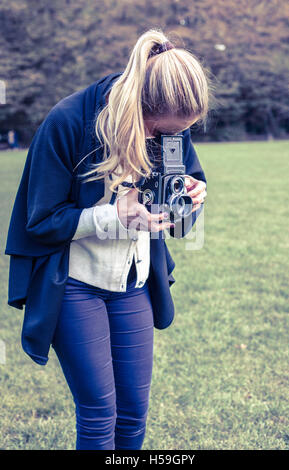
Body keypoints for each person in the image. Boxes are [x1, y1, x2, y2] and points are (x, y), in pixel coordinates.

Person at [5, 29, 208, 450]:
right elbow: (39, 221)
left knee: (133, 411)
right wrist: (113, 217)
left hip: (133, 283)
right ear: (143, 106)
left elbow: (181, 222)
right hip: (75, 284)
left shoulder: (171, 130)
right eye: (162, 131)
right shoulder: (70, 121)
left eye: (180, 132)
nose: (168, 141)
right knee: (100, 413)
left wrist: (189, 201)